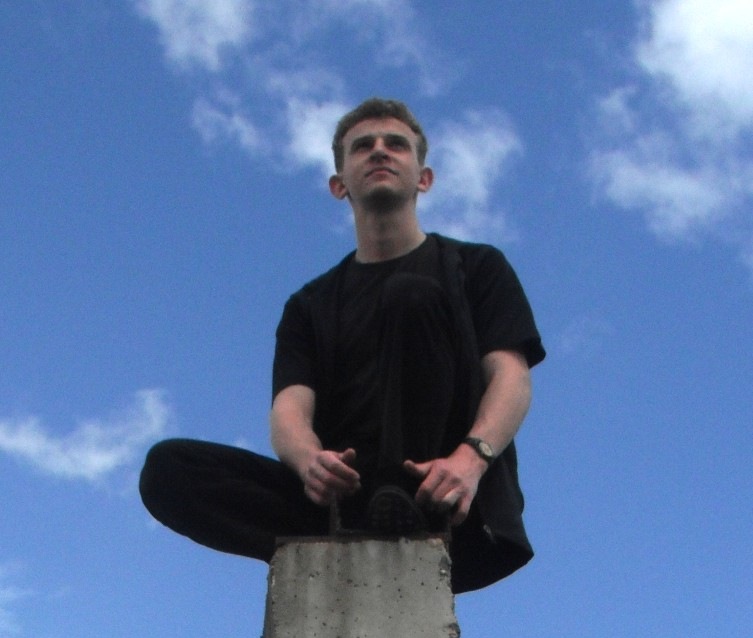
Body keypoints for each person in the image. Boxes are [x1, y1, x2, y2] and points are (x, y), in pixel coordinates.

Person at [139, 98, 545, 594]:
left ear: (424, 178)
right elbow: (289, 411)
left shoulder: (476, 267)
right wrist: (310, 463)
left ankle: (404, 506)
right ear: (339, 185)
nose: (380, 151)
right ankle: (347, 528)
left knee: (410, 294)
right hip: (345, 501)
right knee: (168, 470)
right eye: (363, 146)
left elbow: (511, 377)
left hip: (445, 498)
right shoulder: (309, 305)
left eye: (396, 145)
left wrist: (470, 461)